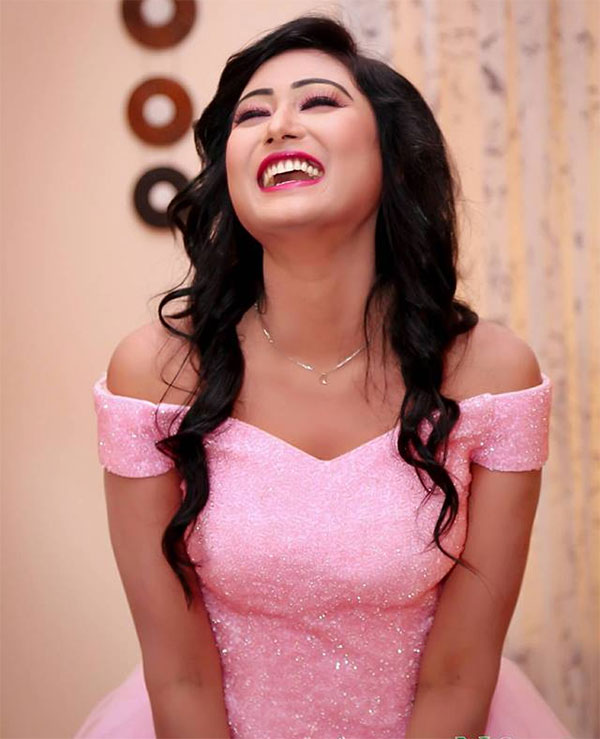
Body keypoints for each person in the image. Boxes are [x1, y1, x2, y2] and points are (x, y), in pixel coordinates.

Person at [75, 14, 573, 739]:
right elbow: (180, 674)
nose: (279, 125)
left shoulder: (492, 377)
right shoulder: (155, 374)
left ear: (391, 156)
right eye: (252, 114)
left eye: (318, 101)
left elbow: (460, 674)